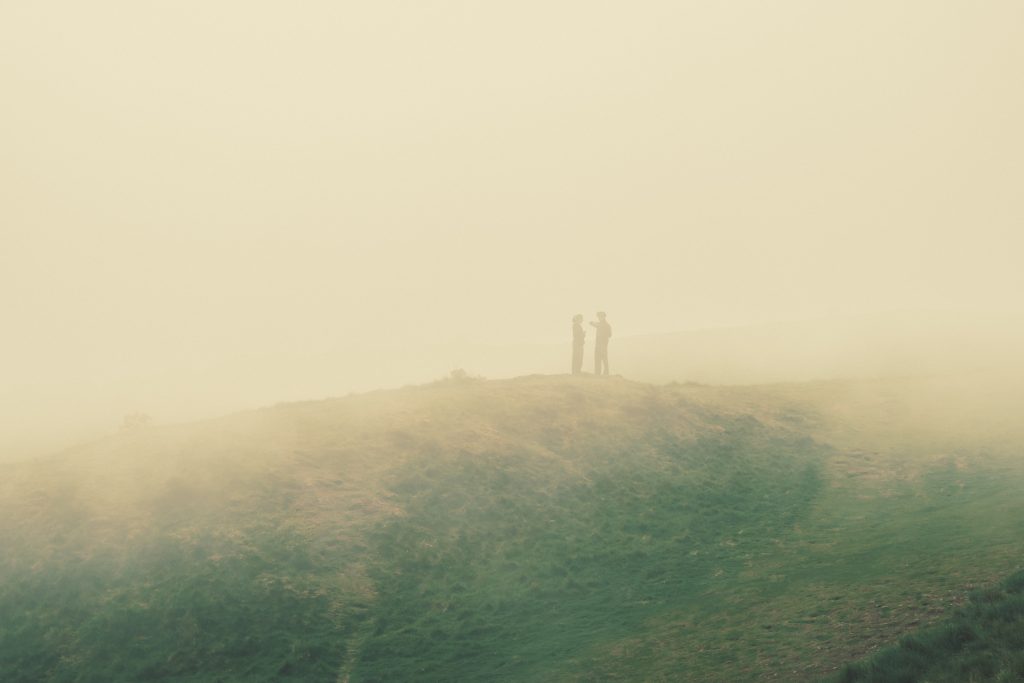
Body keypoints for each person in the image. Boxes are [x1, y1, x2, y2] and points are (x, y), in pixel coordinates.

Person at [590, 311, 612, 375]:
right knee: (599, 359)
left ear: (604, 317)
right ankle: (600, 373)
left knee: (603, 359)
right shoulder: (605, 325)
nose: (599, 318)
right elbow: (610, 335)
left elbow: (610, 334)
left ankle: (602, 373)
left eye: (600, 316)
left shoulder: (605, 325)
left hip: (602, 344)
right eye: (599, 317)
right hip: (600, 344)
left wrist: (604, 334)